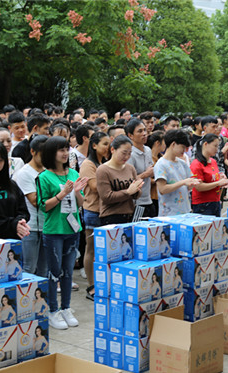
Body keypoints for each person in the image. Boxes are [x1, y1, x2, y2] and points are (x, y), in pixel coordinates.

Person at [37, 136, 88, 330]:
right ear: (51, 153)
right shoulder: (44, 177)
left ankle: (66, 307)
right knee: (54, 272)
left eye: (66, 149)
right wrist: (62, 193)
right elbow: (44, 206)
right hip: (54, 230)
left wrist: (76, 192)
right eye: (61, 150)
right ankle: (52, 310)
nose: (65, 153)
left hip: (72, 228)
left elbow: (82, 203)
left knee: (68, 272)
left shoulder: (74, 173)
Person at [79, 132, 110, 300]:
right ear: (94, 145)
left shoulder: (103, 163)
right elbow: (95, 186)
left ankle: (102, 283)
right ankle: (91, 286)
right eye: (104, 144)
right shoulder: (88, 164)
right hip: (92, 210)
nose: (108, 148)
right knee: (91, 249)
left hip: (107, 210)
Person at [13, 135, 49, 277]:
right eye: (43, 154)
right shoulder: (24, 173)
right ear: (33, 152)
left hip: (47, 225)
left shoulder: (49, 171)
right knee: (28, 267)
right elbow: (34, 200)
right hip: (31, 226)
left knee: (44, 268)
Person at [96, 135, 144, 225]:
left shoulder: (130, 168)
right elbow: (106, 197)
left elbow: (136, 195)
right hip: (111, 217)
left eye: (129, 153)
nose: (127, 156)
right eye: (124, 153)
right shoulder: (103, 170)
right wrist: (128, 192)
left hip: (129, 215)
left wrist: (137, 189)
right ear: (113, 150)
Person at [154, 130, 199, 216]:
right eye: (182, 147)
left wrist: (192, 184)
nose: (184, 150)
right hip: (169, 214)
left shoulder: (182, 163)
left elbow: (187, 185)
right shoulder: (161, 164)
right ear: (173, 144)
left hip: (185, 211)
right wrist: (183, 182)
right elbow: (162, 189)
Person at [190, 134, 228, 216]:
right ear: (205, 144)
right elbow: (198, 187)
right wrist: (218, 183)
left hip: (215, 201)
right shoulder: (196, 164)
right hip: (202, 204)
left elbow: (213, 178)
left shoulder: (213, 161)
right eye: (215, 146)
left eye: (218, 146)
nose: (217, 149)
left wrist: (220, 178)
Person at [126, 119, 155, 218]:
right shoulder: (129, 154)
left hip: (149, 198)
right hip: (137, 202)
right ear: (130, 136)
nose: (144, 134)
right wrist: (145, 174)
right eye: (140, 131)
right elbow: (128, 181)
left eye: (145, 130)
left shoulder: (148, 150)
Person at [147, 130, 166, 217]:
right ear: (157, 143)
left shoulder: (162, 158)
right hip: (152, 196)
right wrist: (159, 180)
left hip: (162, 196)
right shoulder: (148, 158)